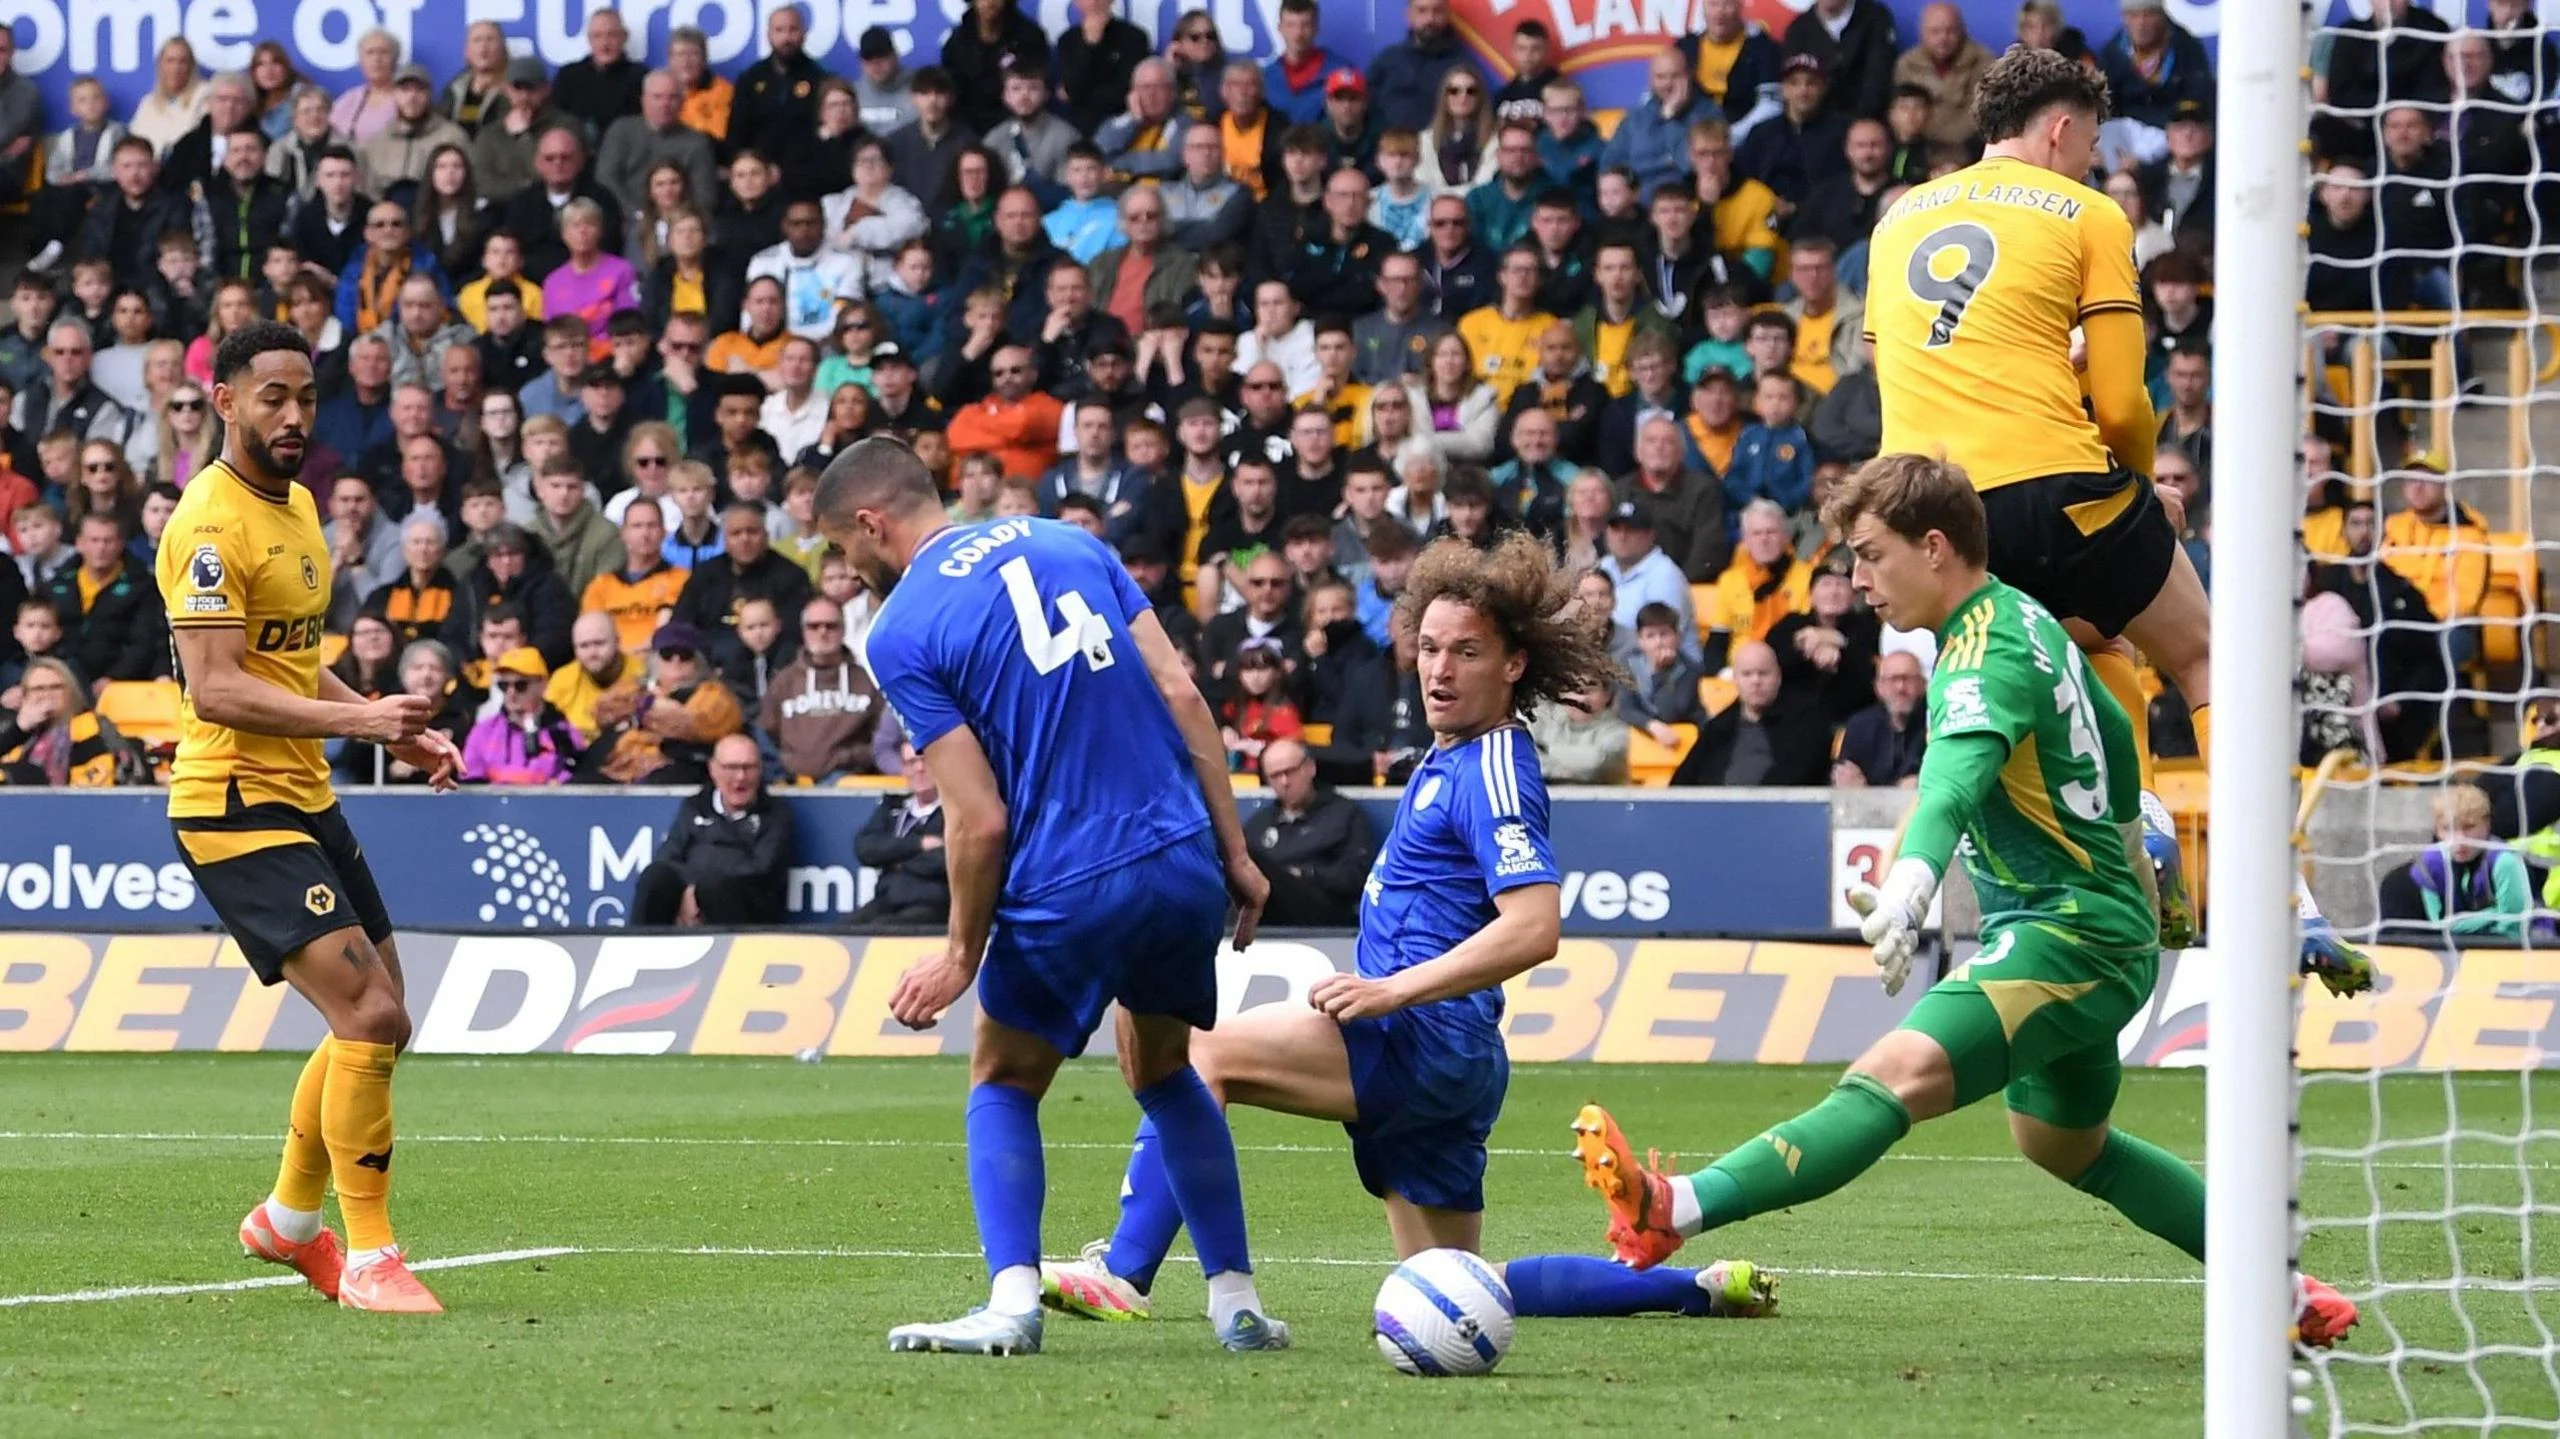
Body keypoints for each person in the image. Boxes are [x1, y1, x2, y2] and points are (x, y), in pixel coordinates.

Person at [1577, 452, 2359, 1350]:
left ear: (1936, 545)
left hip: (2068, 934)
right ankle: (2286, 1288)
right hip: (2093, 924)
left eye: (1871, 554)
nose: (1858, 579)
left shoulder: (1982, 656)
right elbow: (2102, 743)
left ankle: (1673, 1206)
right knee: (2064, 1144)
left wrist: (1913, 880)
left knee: (1890, 1076)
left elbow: (1951, 782)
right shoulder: (2023, 622)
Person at [1042, 530, 1776, 1328]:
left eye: (1466, 651)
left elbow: (1534, 927)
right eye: (1428, 647)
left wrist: (1394, 988)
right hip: (1454, 1058)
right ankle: (1697, 1287)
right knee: (1457, 1283)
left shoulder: (1494, 763)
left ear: (1514, 665)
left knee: (1199, 1056)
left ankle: (1127, 1272)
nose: (1439, 668)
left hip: (1418, 1034)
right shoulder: (1450, 754)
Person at [811, 436, 1285, 1356]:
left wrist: (959, 953)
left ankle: (1013, 1298)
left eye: (839, 547)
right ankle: (1235, 1298)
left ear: (870, 523)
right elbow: (1185, 696)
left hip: (1067, 878)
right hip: (1180, 856)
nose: (845, 567)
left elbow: (977, 819)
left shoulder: (900, 629)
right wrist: (1234, 851)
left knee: (1002, 1079)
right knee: (1164, 1073)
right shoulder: (1070, 541)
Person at [1863, 45, 2203, 934]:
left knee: (2081, 648)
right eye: (2089, 144)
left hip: (1933, 522)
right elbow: (2126, 403)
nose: (2091, 162)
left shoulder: (1896, 221)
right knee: (2202, 655)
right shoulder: (2088, 213)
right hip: (2056, 489)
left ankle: (1929, 882)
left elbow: (1912, 365)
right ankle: (2271, 885)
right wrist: (2143, 493)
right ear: (2060, 128)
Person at [158, 320, 459, 1314]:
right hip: (235, 799)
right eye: (272, 396)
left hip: (306, 790)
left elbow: (286, 661)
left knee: (380, 1017)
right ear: (225, 400)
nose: (293, 415)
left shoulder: (296, 507)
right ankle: (369, 1253)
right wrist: (361, 718)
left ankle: (287, 1220)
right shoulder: (210, 523)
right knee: (369, 1012)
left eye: (304, 396)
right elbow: (216, 688)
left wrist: (391, 732)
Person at [632, 732, 794, 924]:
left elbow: (761, 870)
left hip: (744, 908)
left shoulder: (776, 813)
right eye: (731, 767)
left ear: (761, 770)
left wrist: (699, 890)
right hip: (692, 896)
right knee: (655, 877)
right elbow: (668, 856)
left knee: (715, 886)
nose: (741, 776)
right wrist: (691, 890)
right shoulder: (696, 805)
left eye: (749, 767)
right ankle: (640, 947)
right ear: (713, 770)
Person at [1241, 737, 1378, 926]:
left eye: (1290, 772)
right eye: (1275, 776)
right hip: (1268, 914)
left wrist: (1305, 874)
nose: (1285, 782)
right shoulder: (1259, 823)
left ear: (1310, 768)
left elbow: (1357, 874)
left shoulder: (1344, 814)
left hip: (1324, 910)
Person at [761, 596, 886, 782]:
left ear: (844, 630)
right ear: (803, 631)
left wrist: (847, 758)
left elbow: (883, 739)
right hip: (791, 784)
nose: (822, 632)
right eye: (814, 626)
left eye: (831, 626)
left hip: (847, 783)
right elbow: (765, 734)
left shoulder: (867, 681)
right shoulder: (784, 681)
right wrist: (785, 764)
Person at [852, 743, 952, 924]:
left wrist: (894, 859)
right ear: (904, 769)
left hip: (933, 905)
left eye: (925, 760)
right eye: (911, 762)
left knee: (883, 929)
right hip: (887, 900)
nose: (919, 768)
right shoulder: (893, 806)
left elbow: (947, 860)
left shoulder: (955, 810)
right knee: (841, 931)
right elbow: (865, 848)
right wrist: (919, 845)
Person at [459, 645, 581, 783]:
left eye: (520, 685)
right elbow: (470, 786)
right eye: (504, 686)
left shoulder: (564, 734)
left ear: (543, 684)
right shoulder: (483, 732)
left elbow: (572, 786)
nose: (511, 693)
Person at [1833, 649, 1927, 787]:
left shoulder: (1937, 723)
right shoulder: (1859, 726)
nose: (1900, 687)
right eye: (1893, 680)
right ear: (1878, 687)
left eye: (1907, 679)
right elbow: (1846, 779)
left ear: (1923, 685)